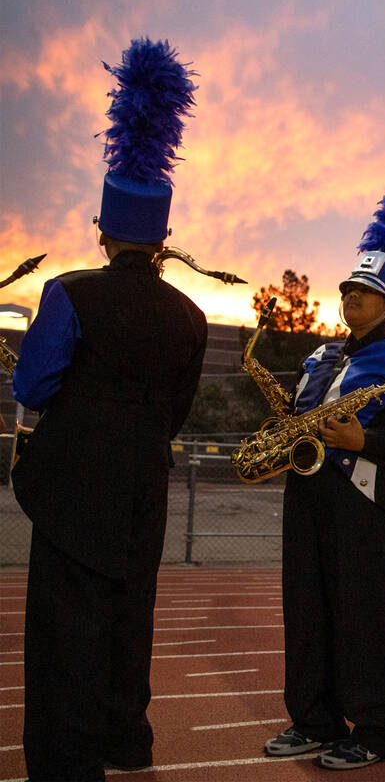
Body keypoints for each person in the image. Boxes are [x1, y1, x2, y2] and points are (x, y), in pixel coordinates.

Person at [11, 39, 208, 780]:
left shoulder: (70, 291)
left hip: (71, 483)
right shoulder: (191, 316)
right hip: (144, 484)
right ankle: (126, 742)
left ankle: (66, 762)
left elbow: (32, 387)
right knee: (132, 617)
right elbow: (178, 410)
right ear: (162, 240)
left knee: (65, 627)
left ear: (103, 229)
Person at [262, 188, 385, 771]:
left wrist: (366, 440)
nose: (349, 297)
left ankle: (379, 727)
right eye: (346, 289)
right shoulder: (318, 359)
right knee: (308, 612)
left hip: (370, 508)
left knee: (366, 620)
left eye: (362, 291)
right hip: (308, 498)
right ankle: (314, 719)